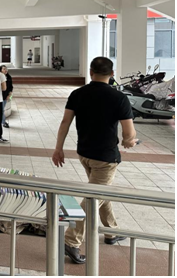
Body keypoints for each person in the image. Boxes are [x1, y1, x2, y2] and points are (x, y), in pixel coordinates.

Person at [52, 57, 137, 264]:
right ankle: (71, 241)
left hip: (84, 153)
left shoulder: (77, 94)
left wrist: (58, 148)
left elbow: (65, 122)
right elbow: (129, 133)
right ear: (112, 74)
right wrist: (130, 142)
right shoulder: (119, 98)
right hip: (105, 157)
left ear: (91, 72)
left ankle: (111, 231)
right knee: (93, 197)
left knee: (101, 192)